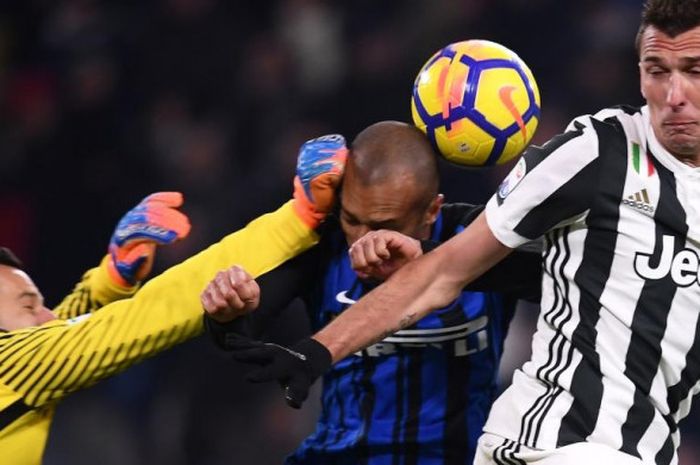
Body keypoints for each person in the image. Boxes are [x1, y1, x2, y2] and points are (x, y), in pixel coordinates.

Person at [228, 1, 700, 464]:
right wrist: (316, 353)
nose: (673, 93)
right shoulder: (599, 151)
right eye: (657, 70)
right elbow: (443, 271)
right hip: (555, 444)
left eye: (694, 70)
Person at [202, 121, 542, 465]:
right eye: (352, 219)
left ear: (432, 210)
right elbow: (238, 334)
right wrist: (227, 312)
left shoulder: (477, 239)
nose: (361, 241)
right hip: (337, 457)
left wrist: (427, 254)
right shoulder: (325, 244)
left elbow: (553, 276)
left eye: (384, 226)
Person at [0, 137, 345, 465]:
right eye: (29, 306)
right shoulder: (13, 363)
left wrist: (108, 284)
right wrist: (298, 219)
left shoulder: (17, 367)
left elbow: (55, 334)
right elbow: (163, 306)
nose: (49, 317)